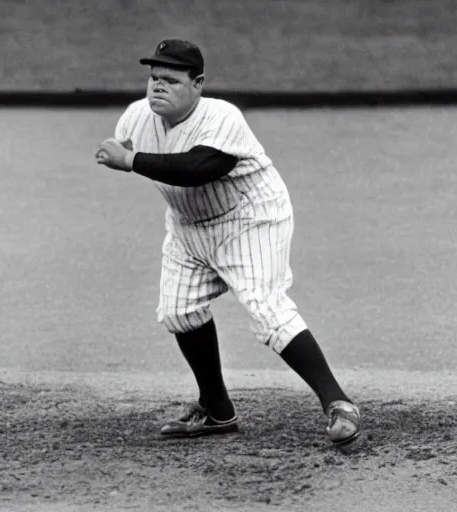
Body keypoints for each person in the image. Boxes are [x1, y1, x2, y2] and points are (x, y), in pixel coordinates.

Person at [95, 39, 361, 446]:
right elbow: (131, 147)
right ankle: (217, 411)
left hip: (250, 218)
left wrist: (131, 161)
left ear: (198, 84)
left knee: (266, 309)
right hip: (188, 225)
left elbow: (199, 167)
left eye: (170, 79)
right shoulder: (136, 117)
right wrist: (124, 151)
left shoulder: (222, 117)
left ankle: (338, 403)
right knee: (179, 312)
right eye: (153, 78)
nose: (157, 87)